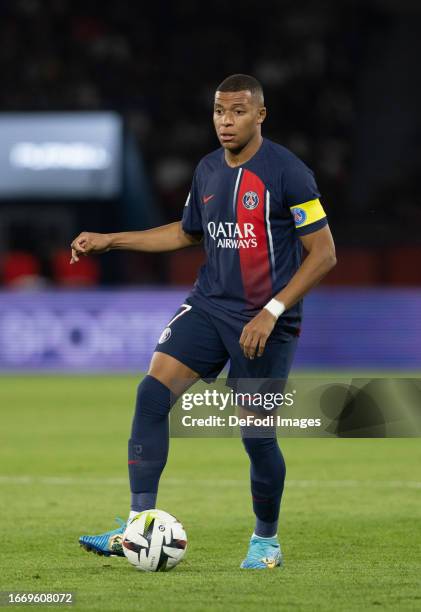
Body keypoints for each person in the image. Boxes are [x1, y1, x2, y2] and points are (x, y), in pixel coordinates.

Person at [71, 74, 336, 569]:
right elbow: (186, 232)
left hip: (266, 322)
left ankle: (266, 542)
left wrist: (271, 311)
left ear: (261, 115)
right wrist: (112, 239)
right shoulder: (208, 169)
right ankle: (136, 525)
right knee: (152, 393)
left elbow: (323, 254)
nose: (225, 121)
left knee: (257, 437)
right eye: (218, 111)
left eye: (237, 111)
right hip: (210, 305)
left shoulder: (289, 173)